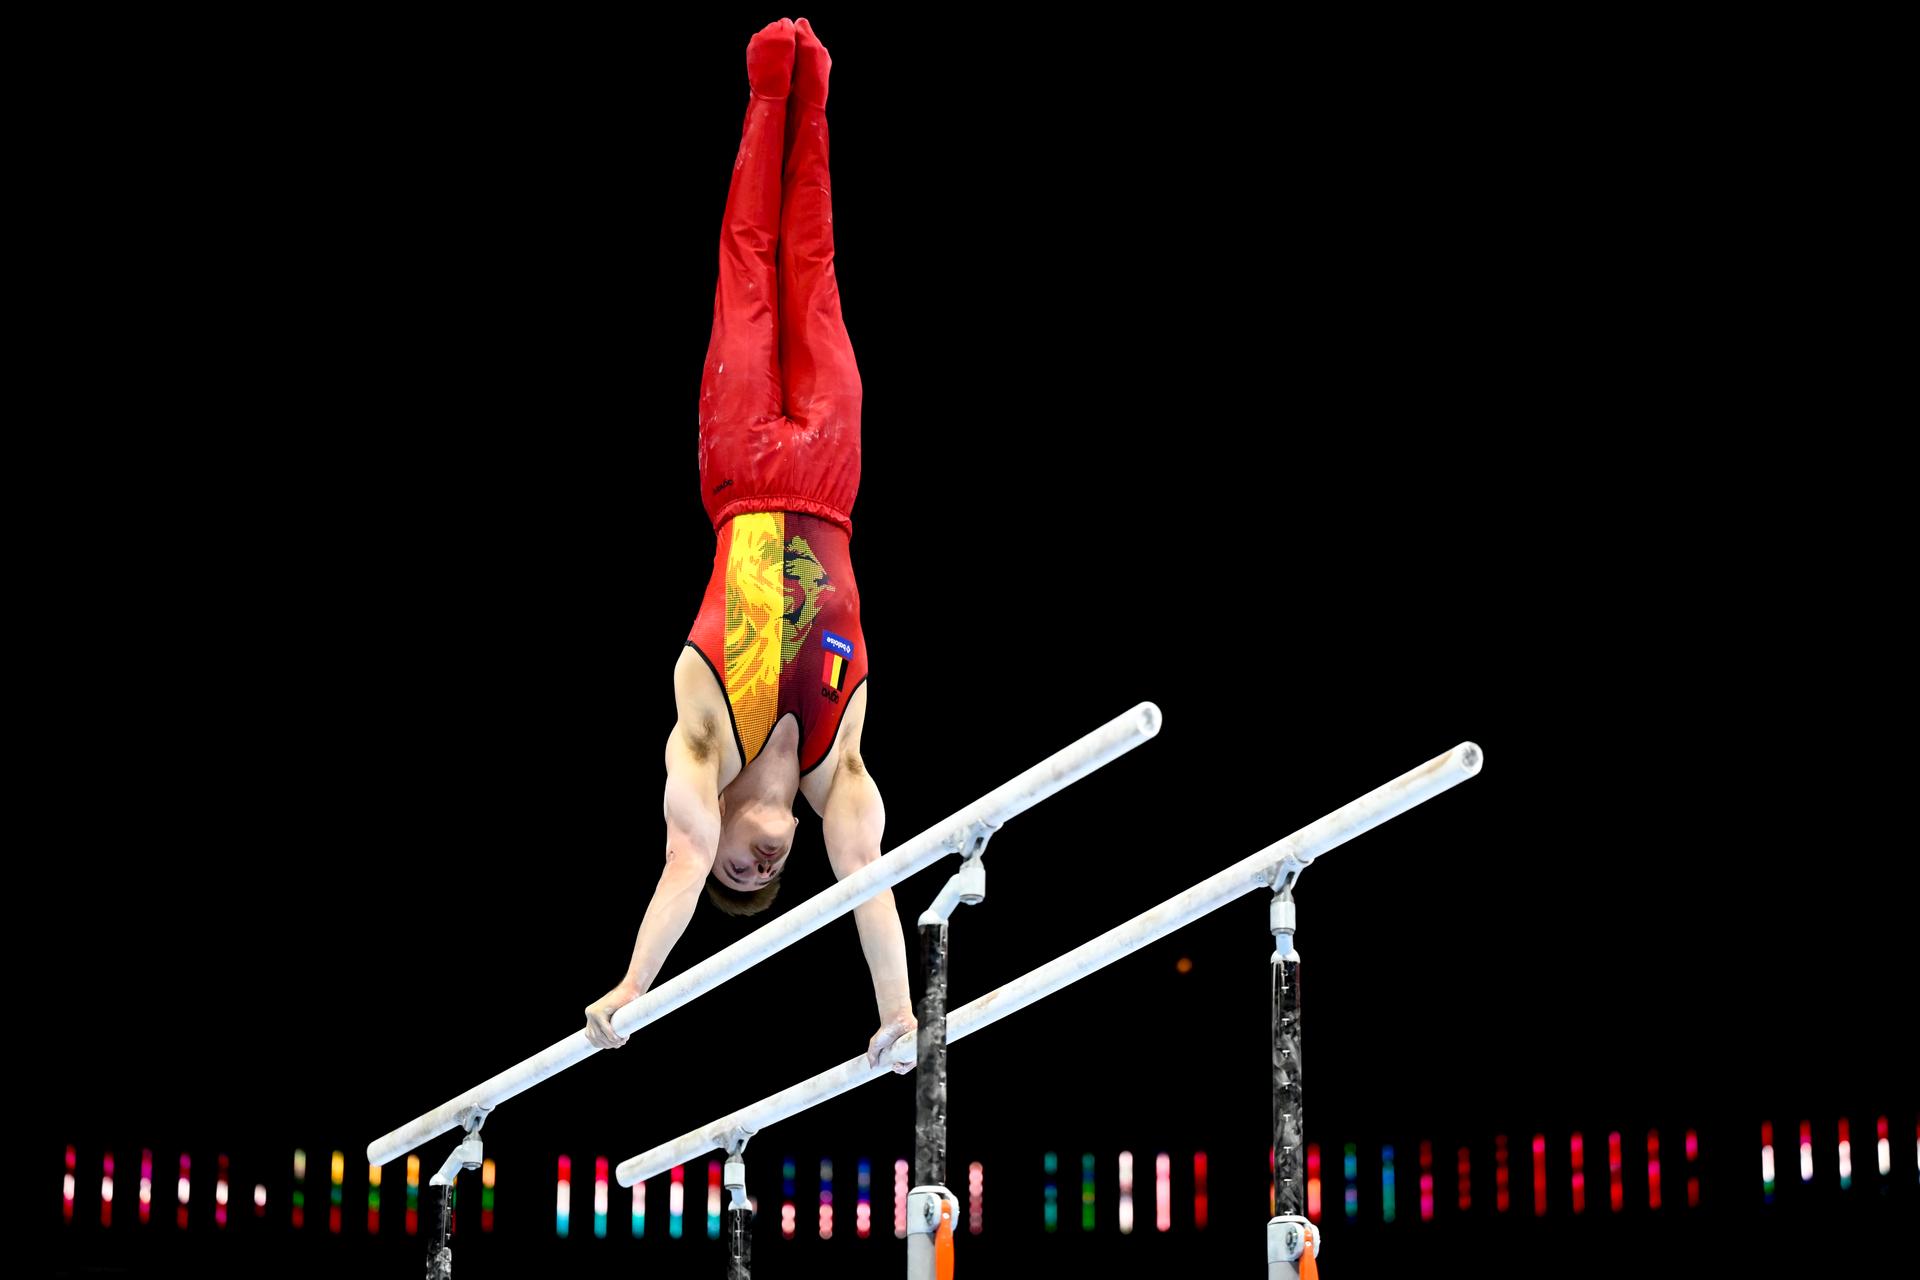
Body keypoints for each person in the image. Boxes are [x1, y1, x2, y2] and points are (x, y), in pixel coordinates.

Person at [583, 18, 915, 1076]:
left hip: (742, 475)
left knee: (749, 266)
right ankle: (819, 99)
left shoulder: (700, 750)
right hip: (834, 480)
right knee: (814, 263)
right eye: (763, 879)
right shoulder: (837, 771)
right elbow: (867, 881)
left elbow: (681, 859)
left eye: (740, 872)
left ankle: (769, 88)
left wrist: (633, 987)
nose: (754, 868)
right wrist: (899, 1013)